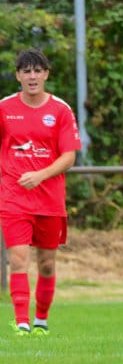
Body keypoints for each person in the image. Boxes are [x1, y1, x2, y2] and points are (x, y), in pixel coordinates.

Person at [0, 49, 82, 336]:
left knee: (46, 264)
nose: (32, 76)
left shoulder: (60, 110)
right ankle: (22, 323)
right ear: (18, 76)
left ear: (46, 74)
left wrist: (40, 176)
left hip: (49, 199)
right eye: (26, 71)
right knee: (18, 259)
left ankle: (41, 321)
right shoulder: (4, 108)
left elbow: (69, 156)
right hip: (13, 198)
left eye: (37, 70)